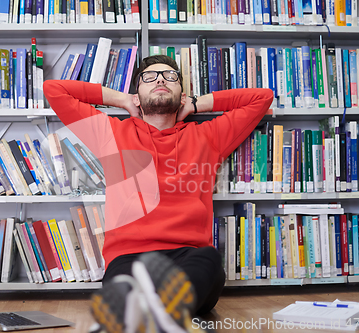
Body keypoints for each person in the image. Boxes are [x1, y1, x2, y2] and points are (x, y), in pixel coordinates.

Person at [43, 55, 274, 332]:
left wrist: (198, 104)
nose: (161, 79)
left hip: (188, 256)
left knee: (209, 260)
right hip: (129, 257)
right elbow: (54, 90)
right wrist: (122, 100)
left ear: (182, 94)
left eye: (170, 76)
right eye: (149, 78)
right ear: (138, 95)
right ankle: (165, 315)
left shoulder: (208, 136)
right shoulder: (111, 134)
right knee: (126, 286)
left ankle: (152, 315)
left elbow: (262, 97)